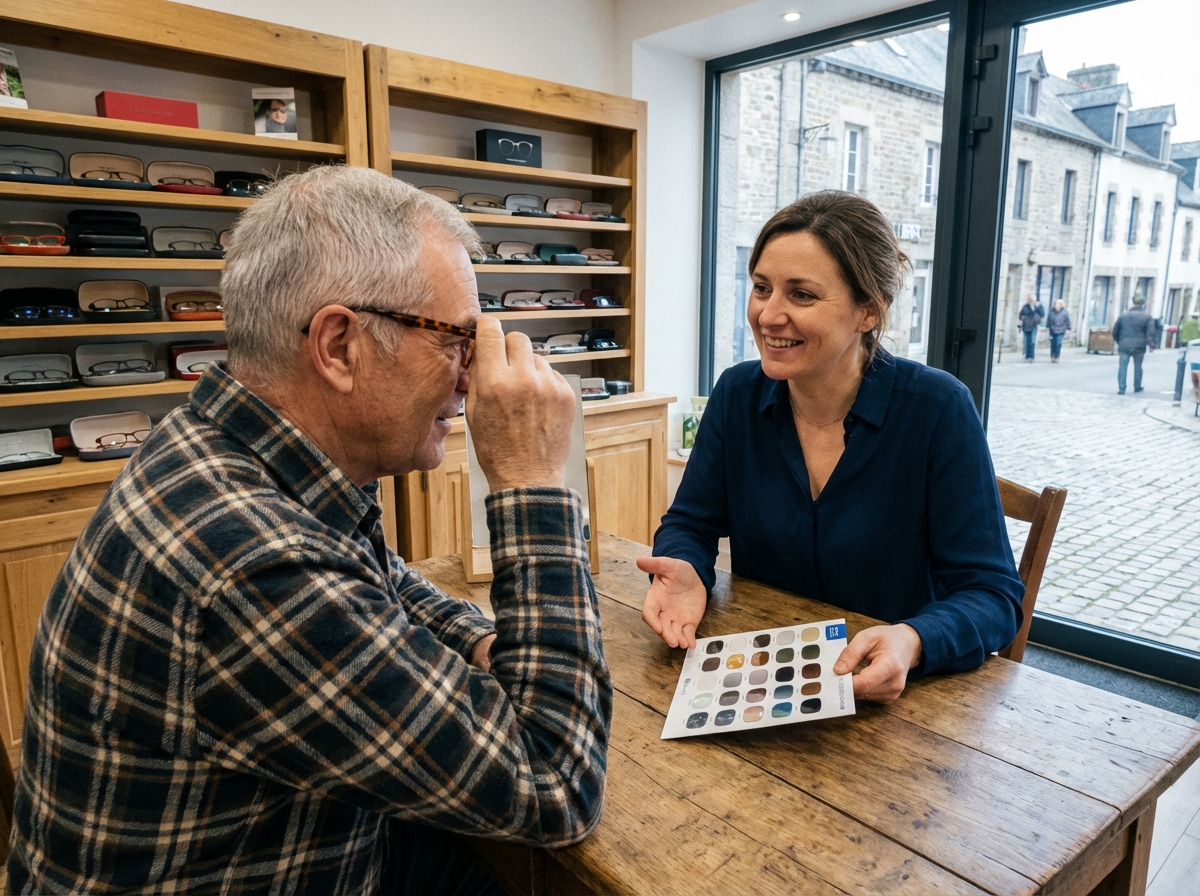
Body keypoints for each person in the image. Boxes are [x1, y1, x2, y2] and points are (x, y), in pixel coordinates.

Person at [7, 166, 612, 894]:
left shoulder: (236, 451)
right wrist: (531, 482)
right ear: (338, 346)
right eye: (457, 339)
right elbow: (554, 781)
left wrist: (484, 643)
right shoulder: (252, 564)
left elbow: (373, 582)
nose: (468, 378)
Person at [640, 191, 1023, 704]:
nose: (768, 315)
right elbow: (690, 522)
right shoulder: (737, 394)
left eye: (801, 295)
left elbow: (994, 597)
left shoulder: (937, 409)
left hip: (897, 701)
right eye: (761, 288)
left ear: (869, 310)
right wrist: (687, 568)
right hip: (766, 684)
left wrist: (912, 640)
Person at [1112, 295, 1155, 394]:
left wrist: (1120, 341)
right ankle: (1137, 386)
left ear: (1133, 302)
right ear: (1143, 304)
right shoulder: (1147, 317)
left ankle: (1122, 388)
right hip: (1139, 345)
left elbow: (1115, 331)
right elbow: (1150, 333)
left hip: (1124, 344)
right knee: (1138, 366)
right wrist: (1151, 345)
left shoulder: (1123, 316)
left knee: (1123, 366)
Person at [1018, 293, 1044, 362]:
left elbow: (1042, 314)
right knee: (1027, 341)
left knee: (1032, 341)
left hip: (1034, 326)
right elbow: (1021, 315)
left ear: (1035, 300)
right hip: (1026, 326)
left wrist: (1036, 307)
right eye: (1029, 299)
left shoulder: (1038, 306)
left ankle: (1031, 356)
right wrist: (1022, 318)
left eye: (1032, 299)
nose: (1030, 301)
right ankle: (1027, 355)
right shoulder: (1025, 306)